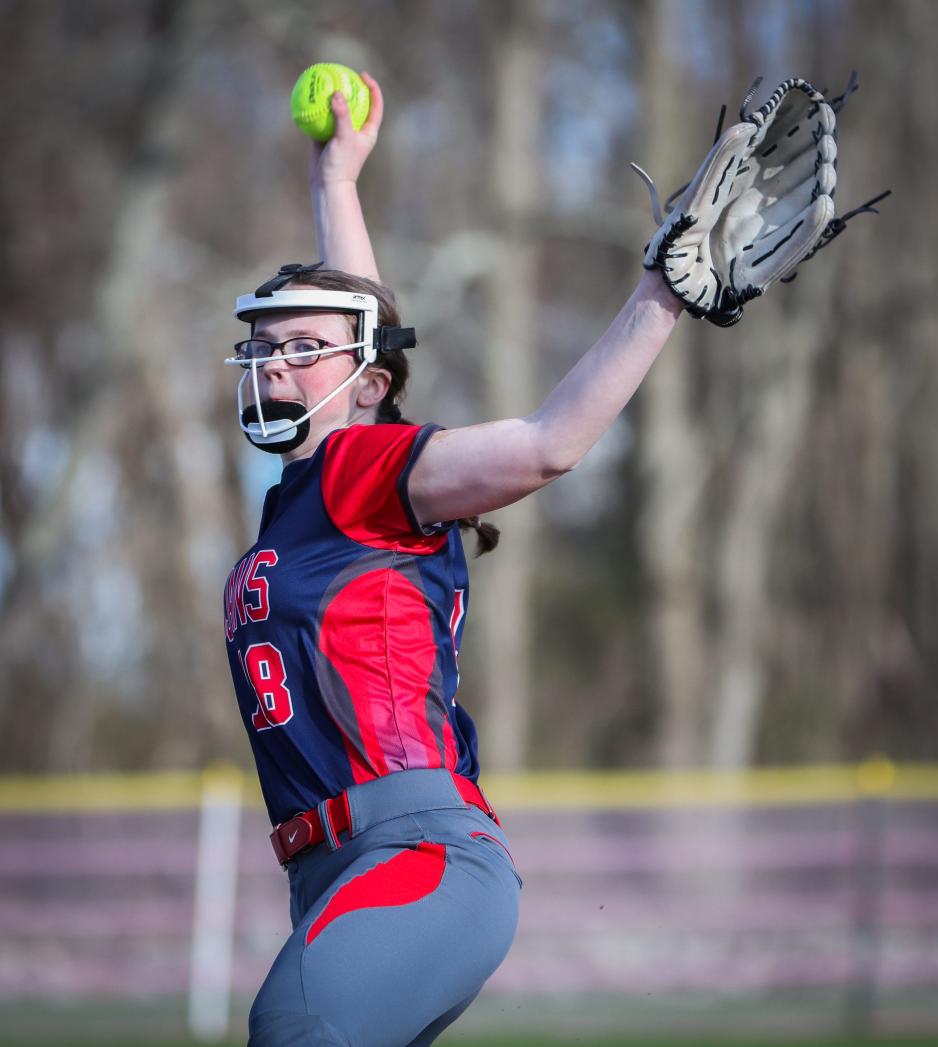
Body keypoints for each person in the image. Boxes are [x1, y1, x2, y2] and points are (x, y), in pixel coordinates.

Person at [223, 73, 682, 1047]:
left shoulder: (358, 468)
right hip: (334, 872)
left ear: (366, 382)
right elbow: (363, 332)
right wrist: (337, 183)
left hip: (418, 854)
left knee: (291, 1028)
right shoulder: (308, 499)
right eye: (262, 346)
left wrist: (663, 294)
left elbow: (549, 444)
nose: (272, 363)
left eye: (299, 348)